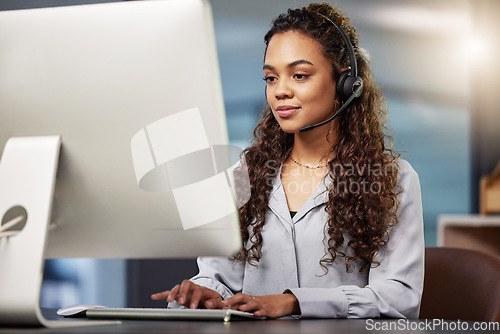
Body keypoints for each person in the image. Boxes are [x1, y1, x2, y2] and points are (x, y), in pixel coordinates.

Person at [151, 2, 424, 319]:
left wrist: (296, 302)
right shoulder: (245, 173)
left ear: (344, 82)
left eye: (299, 75)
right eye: (271, 78)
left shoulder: (392, 179)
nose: (280, 90)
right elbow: (219, 276)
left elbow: (399, 298)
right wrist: (204, 291)